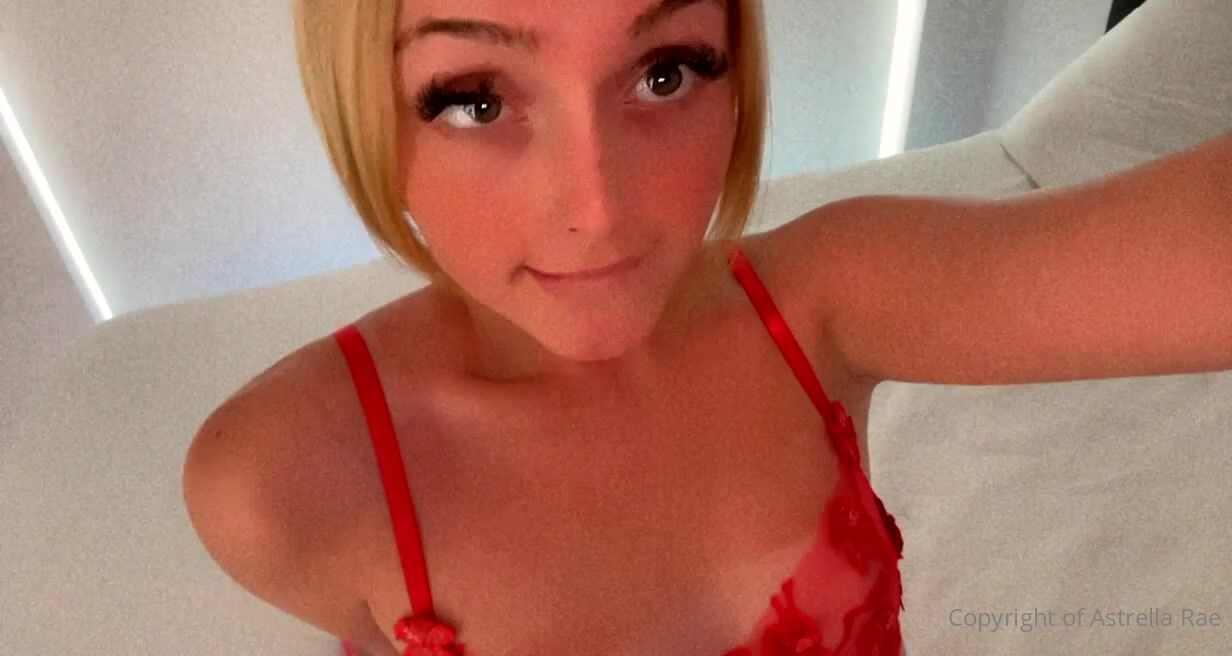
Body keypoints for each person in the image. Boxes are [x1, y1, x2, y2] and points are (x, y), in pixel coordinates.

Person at [181, 1, 1232, 655]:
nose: (597, 207)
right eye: (476, 99)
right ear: (362, 102)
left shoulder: (827, 299)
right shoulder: (282, 480)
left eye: (664, 72)